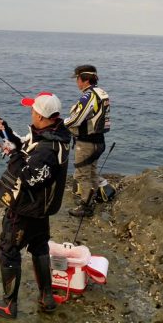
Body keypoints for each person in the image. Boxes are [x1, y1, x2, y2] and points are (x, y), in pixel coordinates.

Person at [0, 92, 71, 320]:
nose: (31, 113)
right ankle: (47, 297)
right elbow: (25, 145)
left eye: (33, 111)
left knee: (8, 252)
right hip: (41, 210)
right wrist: (6, 131)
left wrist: (12, 155)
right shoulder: (55, 135)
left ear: (42, 117)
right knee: (39, 246)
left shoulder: (47, 149)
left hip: (26, 210)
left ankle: (9, 306)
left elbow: (30, 178)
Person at [64, 65, 111, 218]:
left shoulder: (88, 96)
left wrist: (62, 123)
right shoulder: (102, 93)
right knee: (91, 171)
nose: (76, 82)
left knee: (83, 174)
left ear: (83, 80)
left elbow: (77, 119)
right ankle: (93, 197)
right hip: (99, 141)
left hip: (86, 143)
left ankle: (86, 206)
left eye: (77, 79)